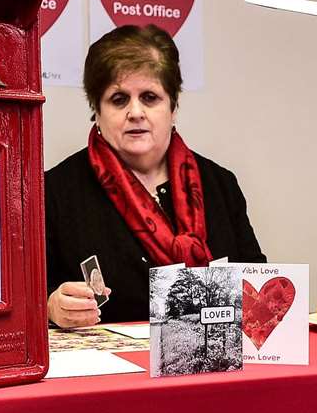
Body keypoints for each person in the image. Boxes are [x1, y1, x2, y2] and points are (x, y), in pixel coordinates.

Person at [44, 25, 265, 327]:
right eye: (119, 99)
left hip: (212, 366)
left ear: (173, 106)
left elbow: (255, 282)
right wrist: (51, 306)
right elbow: (28, 295)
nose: (135, 112)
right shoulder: (55, 192)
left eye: (150, 97)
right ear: (96, 109)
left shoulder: (220, 184)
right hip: (114, 370)